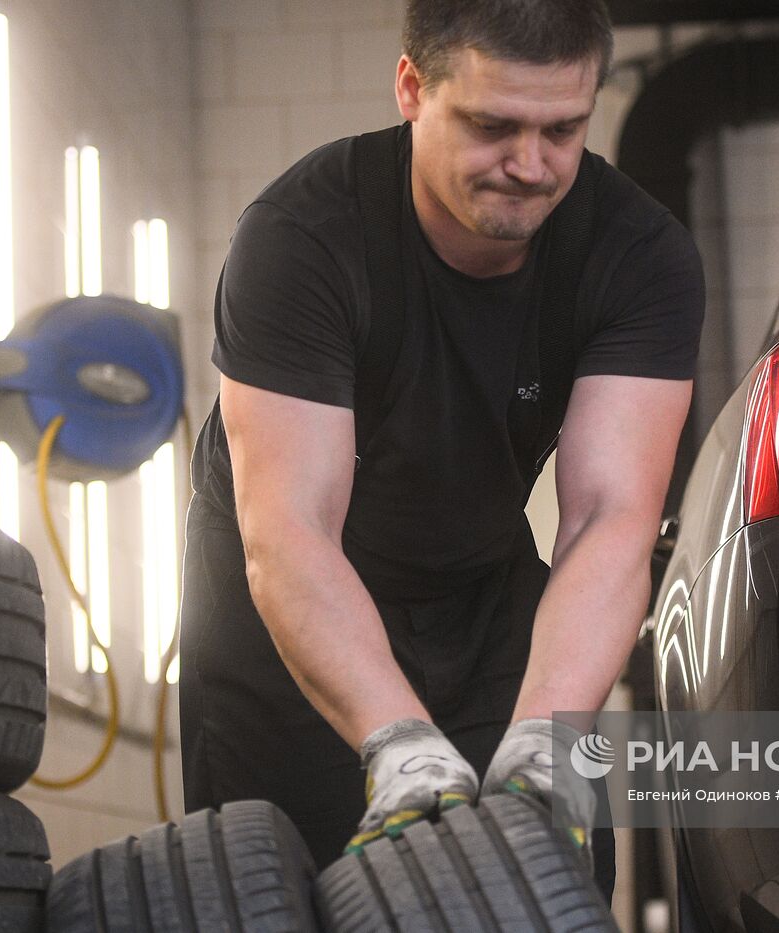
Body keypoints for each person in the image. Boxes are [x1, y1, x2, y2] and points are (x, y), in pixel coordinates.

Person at [177, 0, 704, 905]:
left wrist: (547, 735)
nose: (530, 166)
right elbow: (291, 530)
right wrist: (395, 741)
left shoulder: (638, 253)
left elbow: (611, 518)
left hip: (479, 587)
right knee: (280, 896)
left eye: (562, 130)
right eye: (493, 126)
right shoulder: (302, 238)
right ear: (412, 87)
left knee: (551, 871)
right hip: (287, 603)